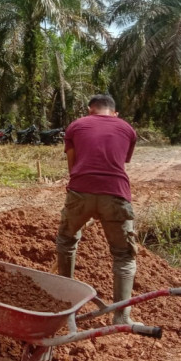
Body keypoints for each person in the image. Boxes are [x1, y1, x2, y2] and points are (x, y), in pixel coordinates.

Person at [55, 94, 139, 325]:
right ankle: (121, 317)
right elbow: (120, 161)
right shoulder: (127, 129)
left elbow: (73, 164)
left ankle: (66, 309)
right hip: (116, 194)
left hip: (80, 191)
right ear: (115, 113)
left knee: (66, 241)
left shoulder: (76, 126)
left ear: (90, 110)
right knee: (123, 255)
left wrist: (81, 191)